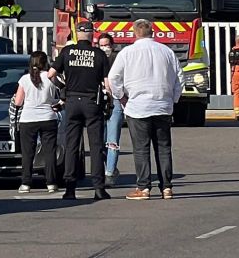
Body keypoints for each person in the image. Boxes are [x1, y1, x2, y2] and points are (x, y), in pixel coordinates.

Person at [108, 18, 184, 200]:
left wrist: (121, 97)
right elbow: (180, 78)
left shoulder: (127, 53)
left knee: (141, 148)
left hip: (137, 107)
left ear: (134, 32)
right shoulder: (167, 52)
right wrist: (172, 99)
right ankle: (166, 187)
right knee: (164, 147)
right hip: (162, 106)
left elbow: (113, 78)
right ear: (153, 31)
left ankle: (143, 187)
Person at [55, 18, 111, 200]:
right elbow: (107, 84)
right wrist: (109, 100)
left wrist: (63, 88)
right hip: (91, 102)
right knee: (96, 146)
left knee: (72, 145)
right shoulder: (99, 55)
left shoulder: (67, 52)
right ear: (91, 35)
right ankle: (99, 188)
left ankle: (70, 189)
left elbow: (50, 74)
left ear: (77, 35)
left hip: (72, 101)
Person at [9, 50, 62, 193]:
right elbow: (62, 91)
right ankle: (51, 183)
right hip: (48, 117)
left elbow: (18, 101)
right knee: (49, 151)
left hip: (28, 119)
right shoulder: (50, 77)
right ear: (46, 63)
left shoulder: (25, 79)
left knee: (28, 153)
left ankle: (26, 183)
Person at [96, 32, 125, 185]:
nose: (105, 48)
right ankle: (109, 167)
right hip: (99, 102)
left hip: (115, 101)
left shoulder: (118, 59)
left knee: (112, 139)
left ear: (112, 46)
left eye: (107, 45)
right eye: (102, 45)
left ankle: (109, 172)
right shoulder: (95, 59)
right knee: (101, 140)